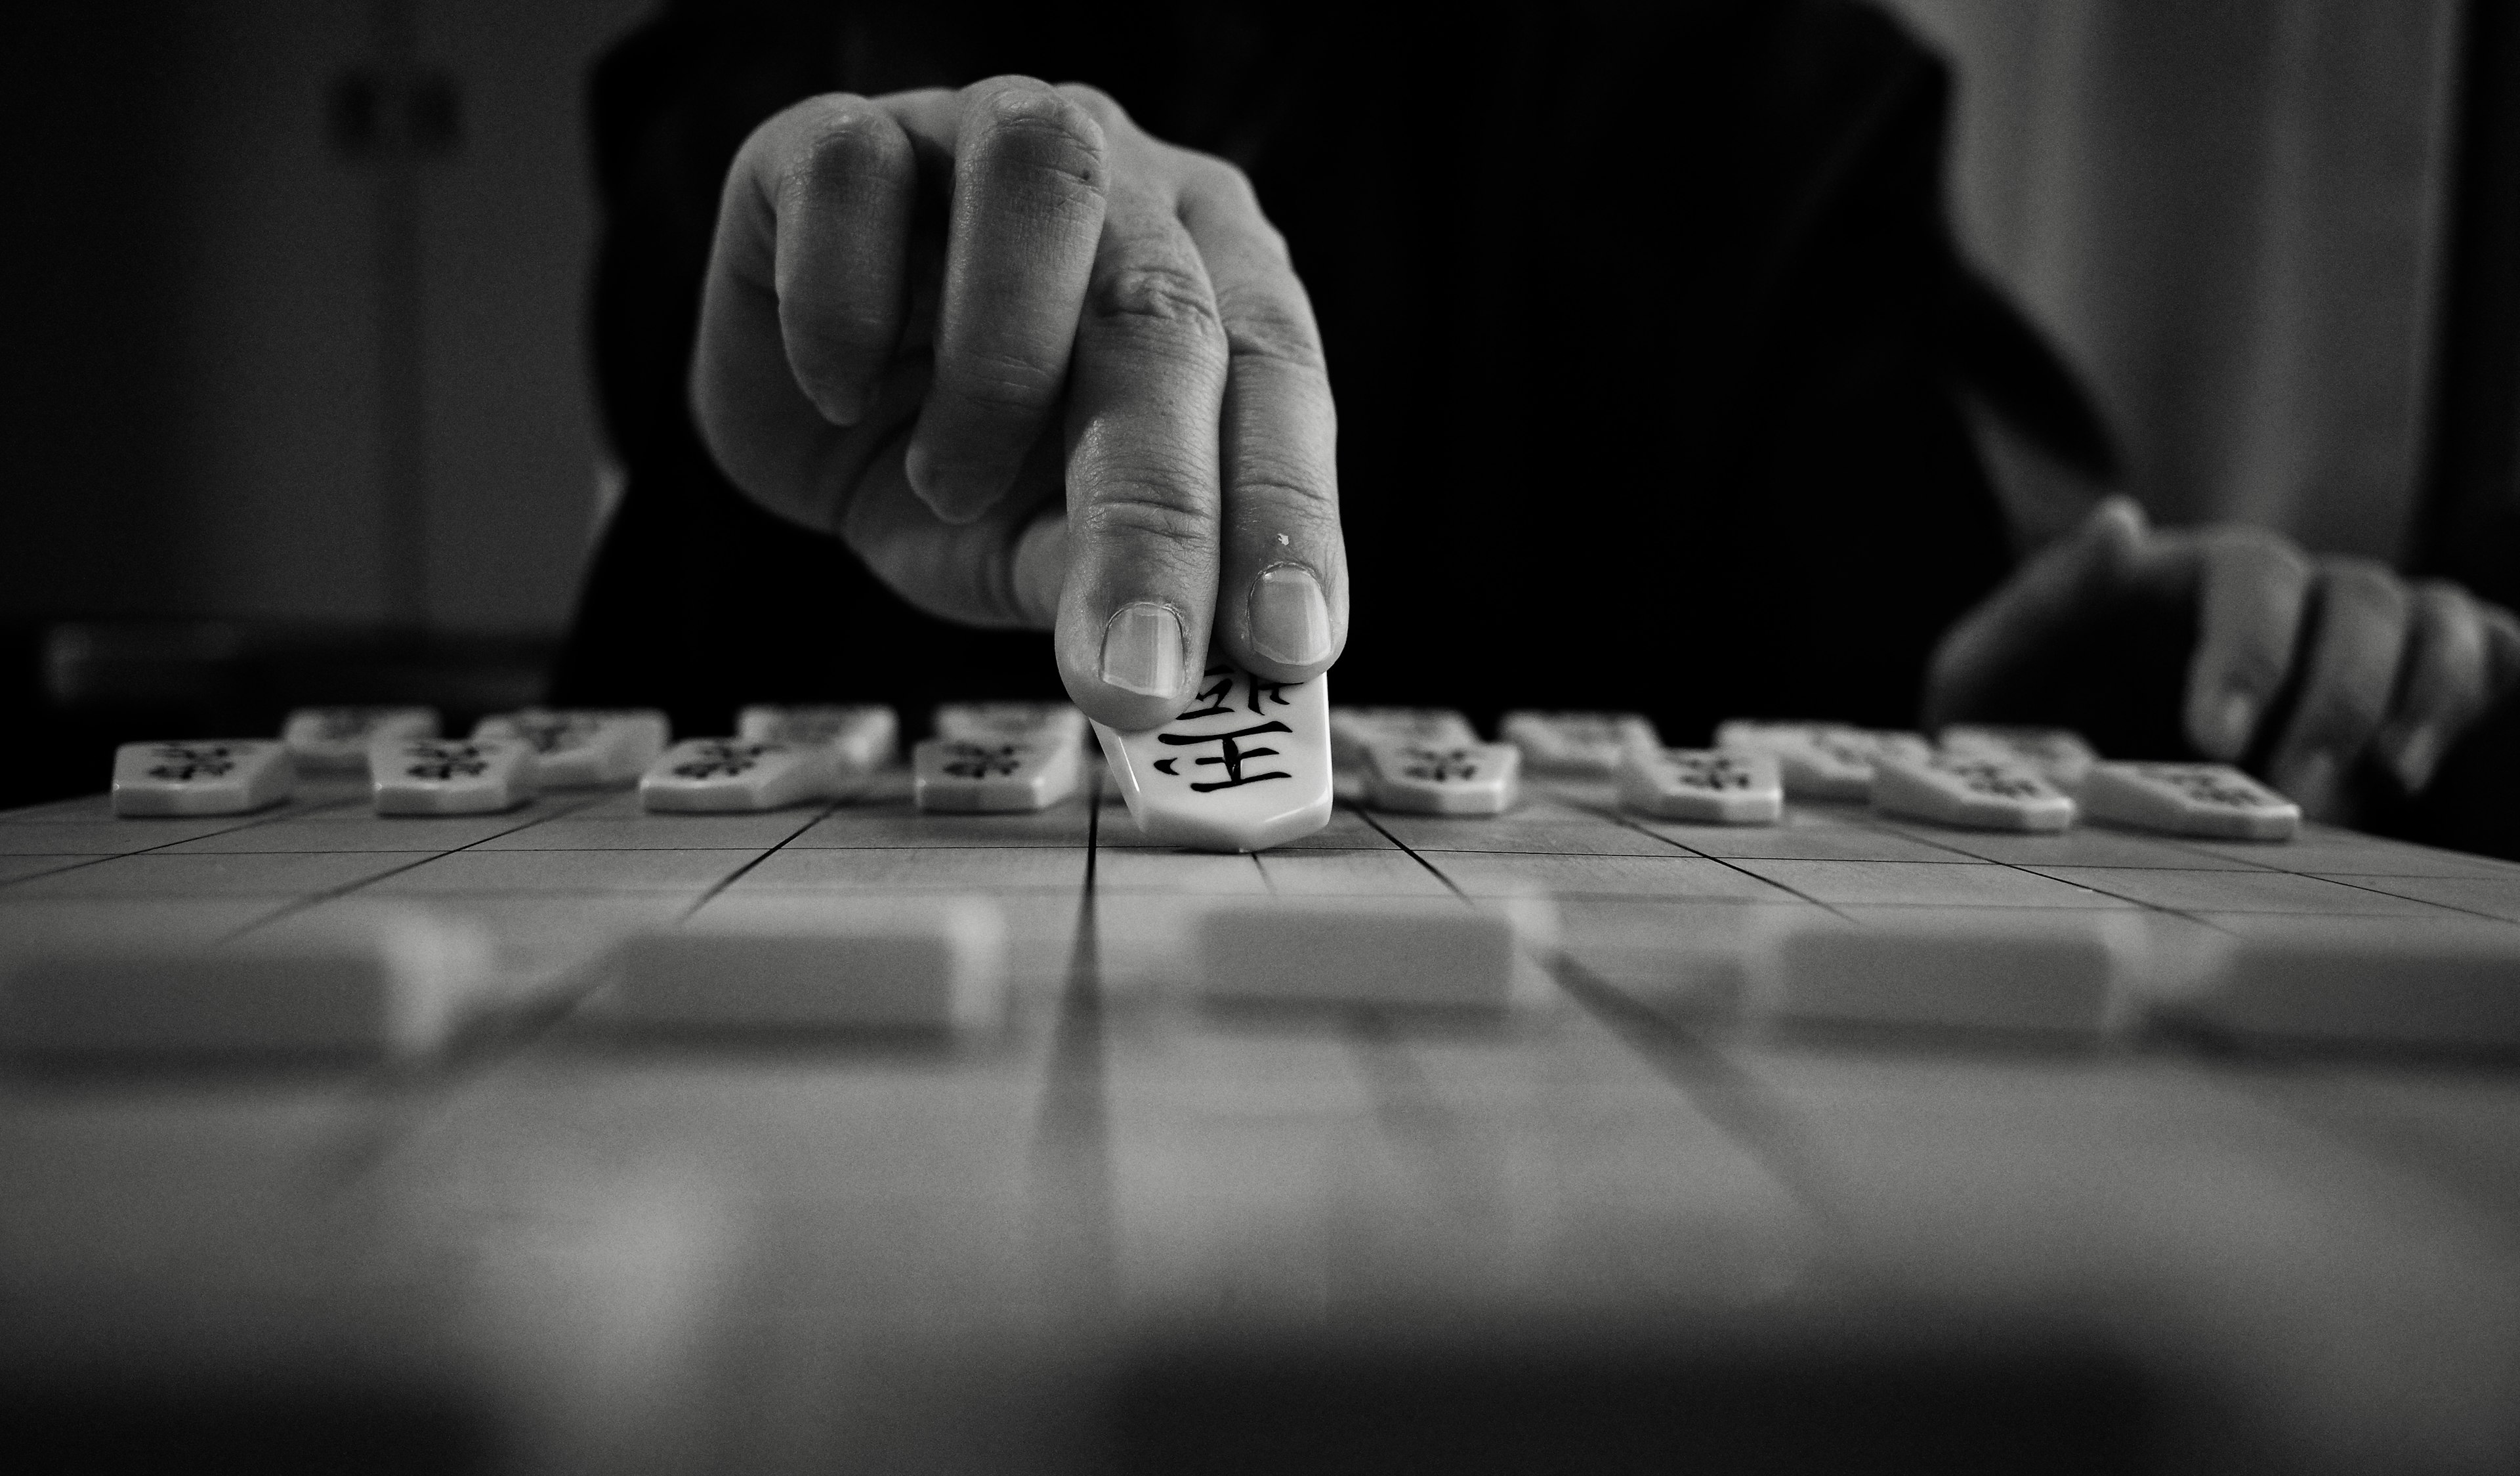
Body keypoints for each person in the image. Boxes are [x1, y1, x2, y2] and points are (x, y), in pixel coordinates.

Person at [555, 0, 2520, 845]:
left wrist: (2041, 710)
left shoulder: (1769, 85)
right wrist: (827, 230)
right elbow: (698, 255)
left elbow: (1893, 620)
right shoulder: (816, 28)